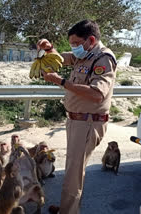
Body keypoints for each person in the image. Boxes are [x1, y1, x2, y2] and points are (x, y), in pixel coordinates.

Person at [37, 20, 117, 214]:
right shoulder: (85, 55)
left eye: (75, 44)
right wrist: (49, 49)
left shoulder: (103, 59)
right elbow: (62, 59)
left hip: (88, 123)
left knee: (74, 172)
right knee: (72, 168)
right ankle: (67, 207)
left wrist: (61, 81)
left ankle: (68, 212)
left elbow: (98, 93)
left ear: (90, 40)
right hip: (77, 120)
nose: (73, 48)